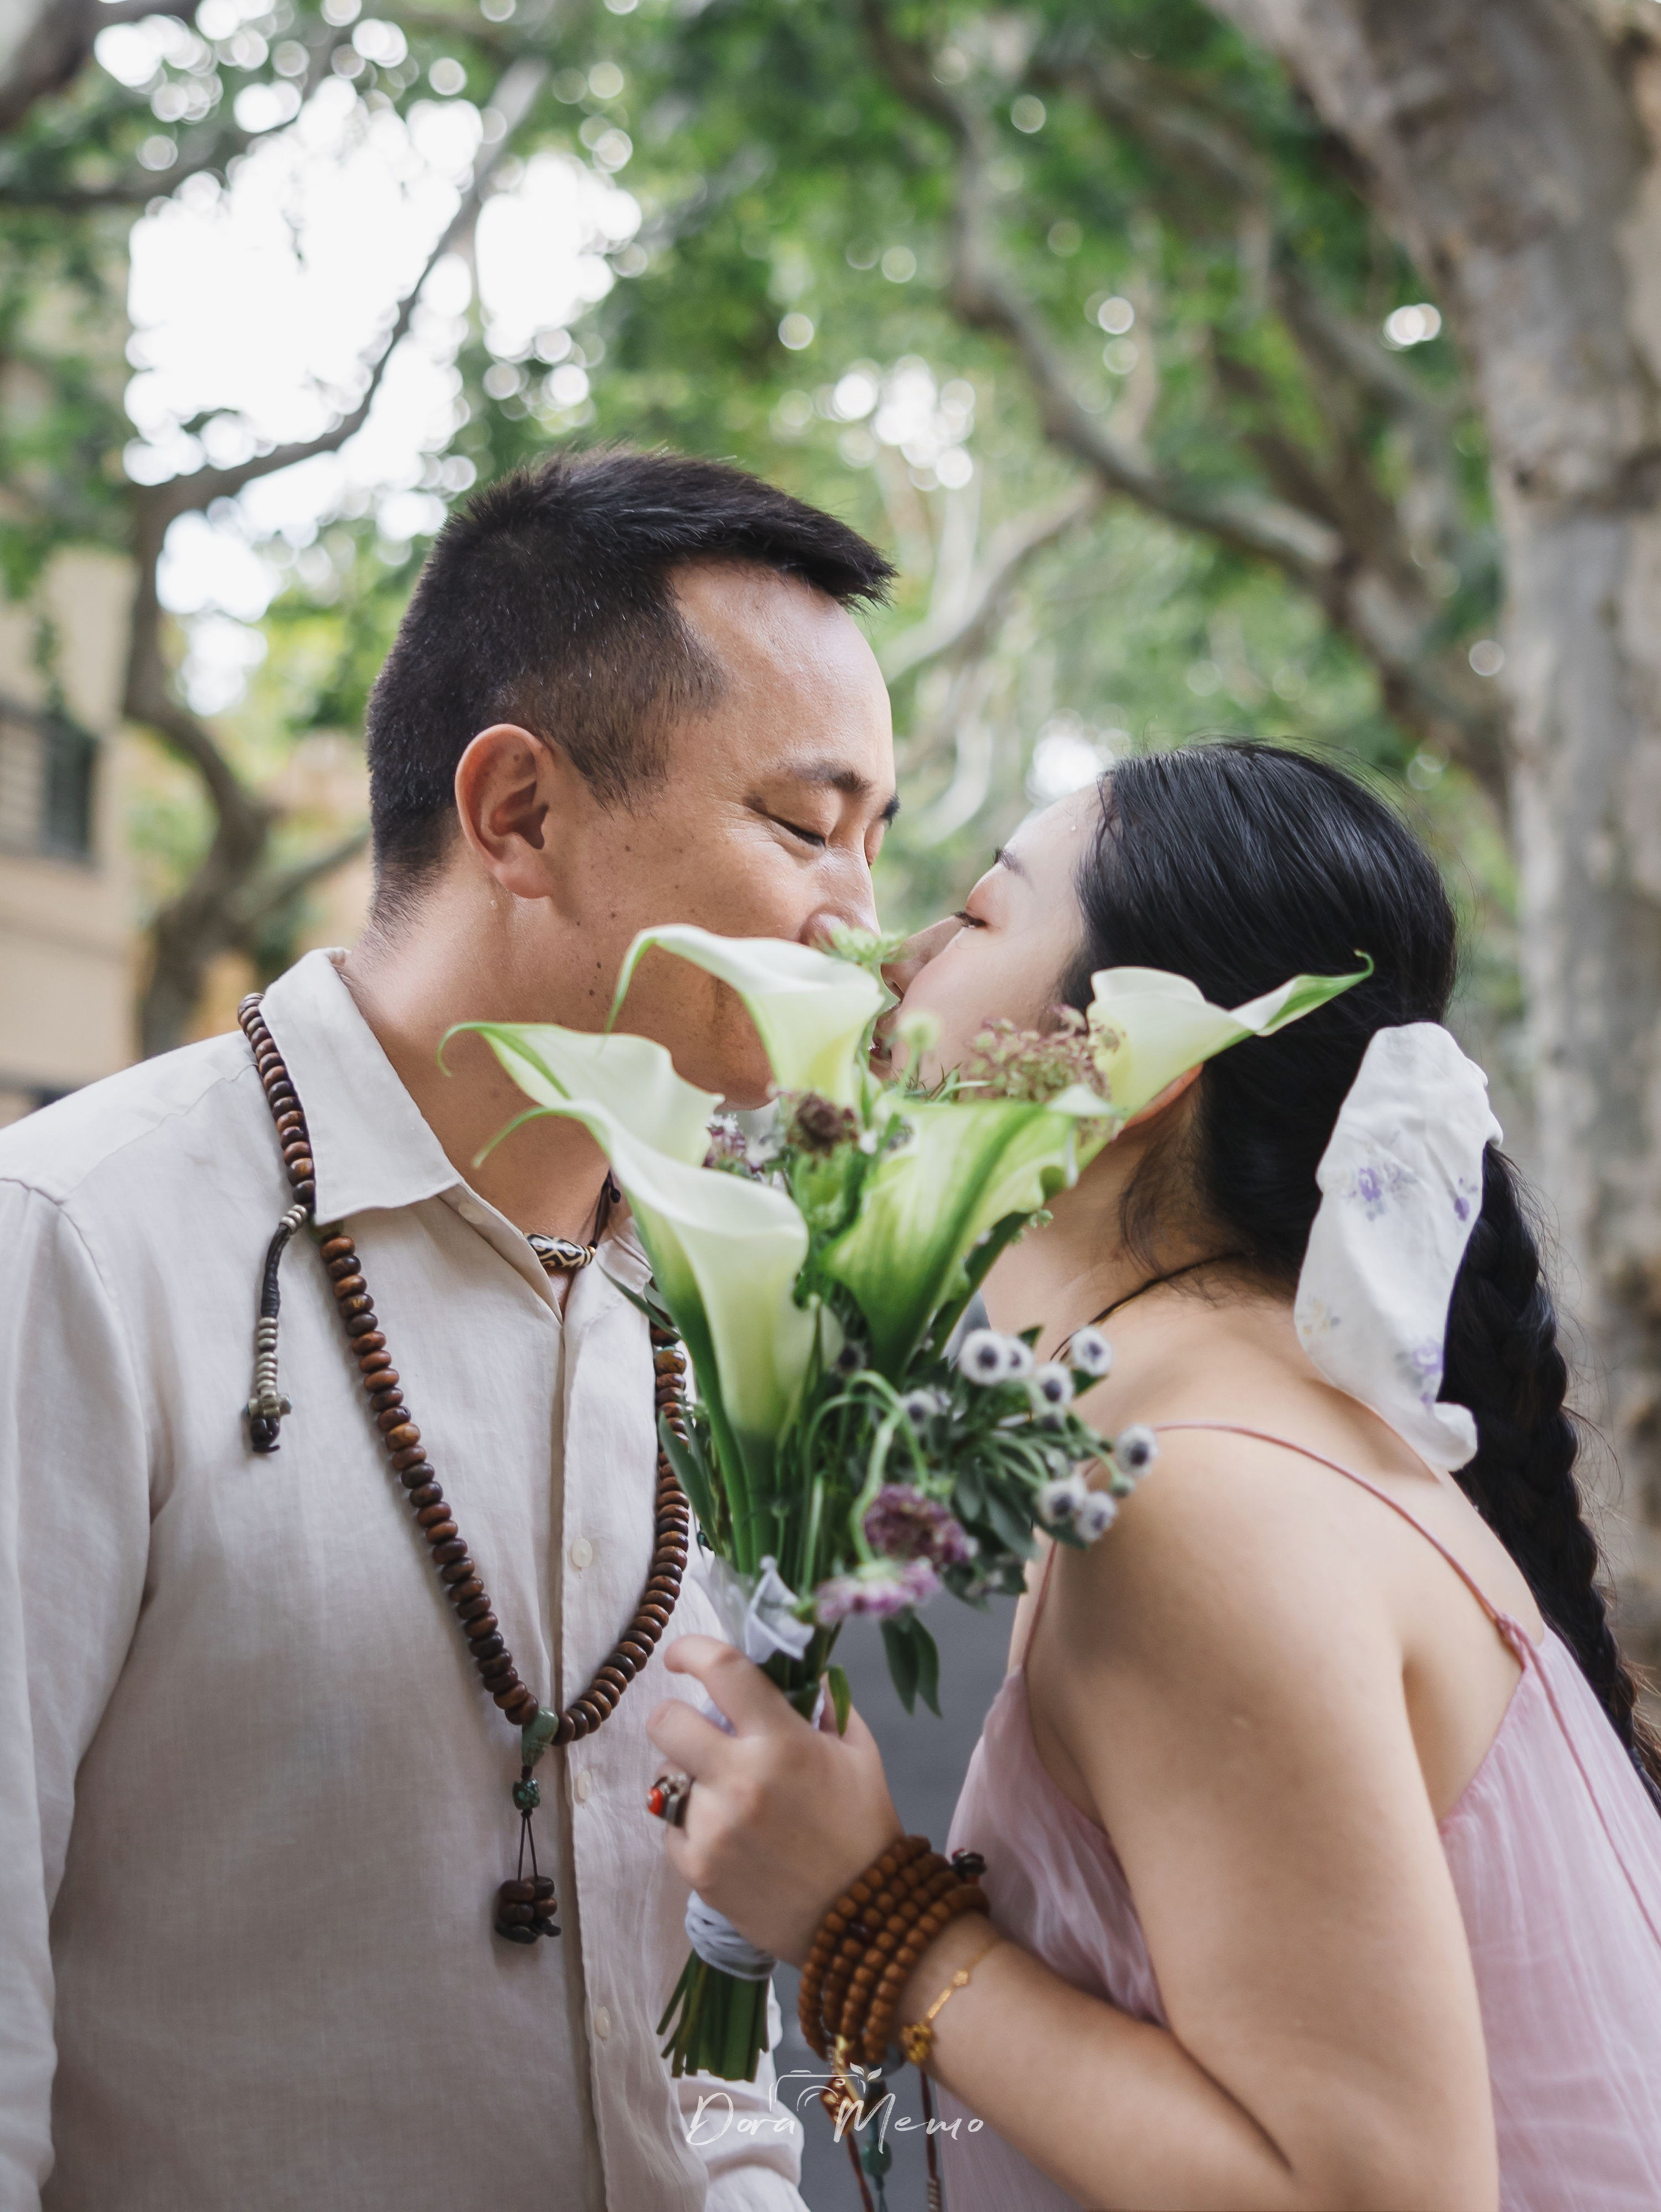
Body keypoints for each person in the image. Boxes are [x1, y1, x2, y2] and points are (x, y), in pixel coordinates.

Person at [0, 448, 900, 2212]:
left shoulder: (731, 1302)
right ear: (518, 816)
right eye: (803, 826)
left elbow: (691, 2044)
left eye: (878, 835)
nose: (856, 914)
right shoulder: (80, 1249)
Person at [649, 741, 1661, 2212]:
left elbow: (1362, 2195)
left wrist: (868, 1909)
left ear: (1126, 1064)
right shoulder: (1267, 1420)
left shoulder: (1202, 1501)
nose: (888, 949)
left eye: (981, 917)